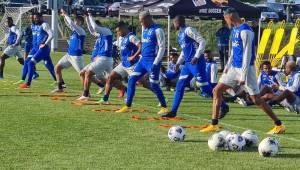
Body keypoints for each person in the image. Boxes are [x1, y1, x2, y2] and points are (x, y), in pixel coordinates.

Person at [200, 8, 285, 134]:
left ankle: (279, 125)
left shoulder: (246, 31)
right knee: (216, 90)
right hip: (234, 67)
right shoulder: (234, 30)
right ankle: (214, 124)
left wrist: (243, 75)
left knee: (256, 99)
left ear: (230, 17)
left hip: (247, 69)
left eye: (225, 19)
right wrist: (227, 67)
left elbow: (247, 55)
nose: (225, 21)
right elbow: (234, 51)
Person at [116, 11, 168, 114]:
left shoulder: (158, 30)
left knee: (154, 84)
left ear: (148, 18)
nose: (141, 24)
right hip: (143, 61)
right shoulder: (145, 30)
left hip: (152, 61)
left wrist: (156, 62)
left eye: (142, 21)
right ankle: (128, 106)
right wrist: (140, 58)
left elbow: (162, 48)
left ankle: (164, 107)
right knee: (131, 80)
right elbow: (144, 46)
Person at [162, 15, 214, 118]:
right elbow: (184, 51)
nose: (173, 24)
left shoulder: (189, 30)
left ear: (178, 22)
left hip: (196, 63)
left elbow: (202, 41)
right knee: (179, 86)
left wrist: (196, 56)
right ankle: (173, 111)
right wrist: (178, 63)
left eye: (174, 22)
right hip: (187, 64)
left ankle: (223, 105)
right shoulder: (180, 34)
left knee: (204, 87)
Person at [99, 21, 141, 104]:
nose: (118, 33)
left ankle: (162, 97)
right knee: (110, 77)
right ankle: (105, 99)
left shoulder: (131, 37)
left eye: (119, 31)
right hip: (124, 64)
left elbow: (141, 46)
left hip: (132, 65)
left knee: (145, 83)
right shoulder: (123, 38)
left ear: (124, 28)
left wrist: (133, 56)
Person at [76, 13, 113, 101]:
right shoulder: (100, 35)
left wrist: (90, 16)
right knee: (82, 73)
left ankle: (85, 95)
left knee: (89, 73)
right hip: (101, 59)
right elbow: (92, 31)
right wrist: (87, 19)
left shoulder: (107, 31)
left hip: (105, 58)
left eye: (96, 27)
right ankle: (124, 89)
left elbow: (95, 28)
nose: (95, 30)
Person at [18, 13, 56, 88]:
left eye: (36, 18)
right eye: (33, 18)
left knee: (32, 63)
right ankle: (60, 82)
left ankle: (28, 84)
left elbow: (51, 34)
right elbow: (36, 37)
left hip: (42, 48)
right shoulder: (34, 26)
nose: (34, 19)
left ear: (41, 17)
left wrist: (45, 43)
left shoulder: (44, 24)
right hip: (35, 48)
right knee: (28, 62)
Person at [52, 10, 86, 93]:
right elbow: (68, 24)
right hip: (69, 55)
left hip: (76, 57)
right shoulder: (74, 31)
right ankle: (60, 88)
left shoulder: (80, 30)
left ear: (81, 23)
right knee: (57, 68)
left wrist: (66, 14)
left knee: (83, 74)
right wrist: (64, 16)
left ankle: (87, 93)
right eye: (75, 21)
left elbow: (70, 23)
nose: (75, 22)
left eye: (78, 21)